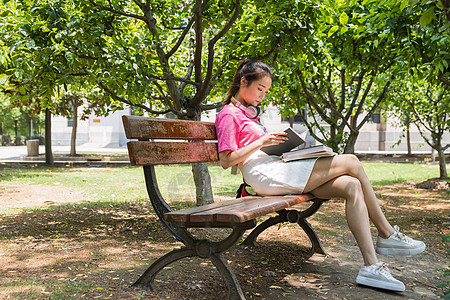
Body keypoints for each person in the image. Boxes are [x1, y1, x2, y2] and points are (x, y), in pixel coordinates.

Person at [214, 59, 426, 292]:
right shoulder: (228, 114)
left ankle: (370, 267)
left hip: (278, 168)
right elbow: (226, 160)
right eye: (260, 89)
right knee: (352, 161)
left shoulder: (249, 115)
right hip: (264, 175)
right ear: (244, 82)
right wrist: (262, 141)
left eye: (266, 91)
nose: (262, 95)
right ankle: (387, 234)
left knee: (351, 185)